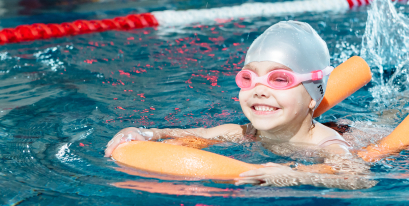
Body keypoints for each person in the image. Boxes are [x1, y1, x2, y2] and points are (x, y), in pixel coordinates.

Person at [105, 21, 375, 189]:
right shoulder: (246, 132)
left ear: (313, 95)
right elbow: (195, 134)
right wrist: (144, 133)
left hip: (356, 135)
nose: (260, 90)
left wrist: (296, 176)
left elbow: (359, 179)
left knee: (376, 147)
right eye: (249, 78)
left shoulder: (329, 145)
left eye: (279, 79)